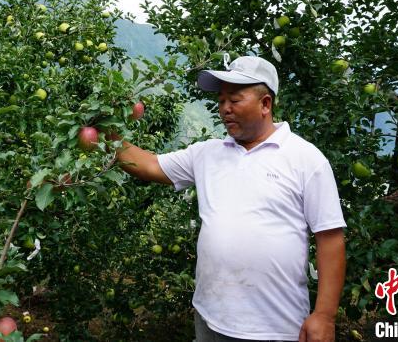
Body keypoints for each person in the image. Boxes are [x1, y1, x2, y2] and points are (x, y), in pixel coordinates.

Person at [112, 55, 346, 342]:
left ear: (265, 104)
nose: (225, 109)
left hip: (276, 327)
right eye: (221, 101)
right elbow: (149, 165)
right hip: (210, 318)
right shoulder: (207, 154)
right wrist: (102, 132)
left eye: (234, 100)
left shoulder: (305, 159)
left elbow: (330, 238)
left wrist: (324, 315)